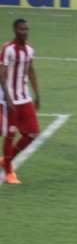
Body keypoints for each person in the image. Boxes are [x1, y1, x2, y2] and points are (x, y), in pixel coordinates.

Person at [0, 19, 40, 184]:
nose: (25, 32)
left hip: (24, 97)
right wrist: (8, 97)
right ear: (15, 30)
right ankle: (9, 172)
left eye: (26, 29)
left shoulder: (29, 50)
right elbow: (1, 73)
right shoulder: (7, 49)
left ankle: (6, 160)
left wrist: (38, 94)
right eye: (22, 29)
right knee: (10, 134)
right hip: (9, 99)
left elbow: (30, 70)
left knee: (33, 133)